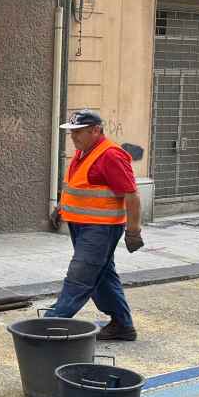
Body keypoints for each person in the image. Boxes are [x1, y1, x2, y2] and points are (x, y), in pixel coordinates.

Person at [46, 110, 144, 341]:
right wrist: (61, 208)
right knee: (103, 277)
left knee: (80, 276)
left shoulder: (111, 155)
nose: (73, 138)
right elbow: (79, 187)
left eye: (78, 133)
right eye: (71, 133)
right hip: (83, 227)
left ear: (96, 130)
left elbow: (131, 195)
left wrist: (133, 231)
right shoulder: (83, 153)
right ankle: (122, 325)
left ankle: (49, 326)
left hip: (100, 229)